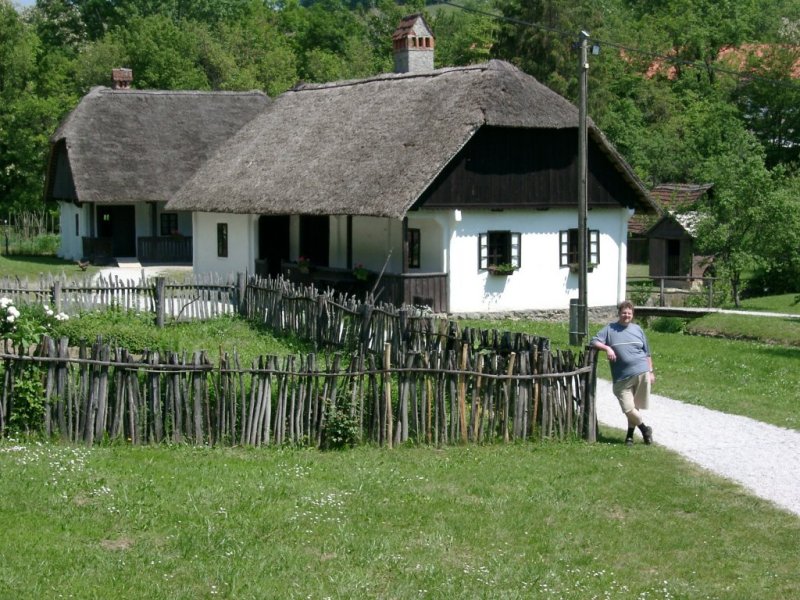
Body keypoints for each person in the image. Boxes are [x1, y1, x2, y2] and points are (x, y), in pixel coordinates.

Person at [590, 300, 655, 446]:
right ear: (619, 313)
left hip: (641, 371)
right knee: (628, 408)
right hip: (621, 377)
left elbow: (647, 353)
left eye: (629, 313)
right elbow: (593, 341)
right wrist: (607, 348)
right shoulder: (610, 329)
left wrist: (650, 372)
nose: (626, 315)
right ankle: (645, 429)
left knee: (635, 407)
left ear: (632, 315)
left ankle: (629, 437)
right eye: (624, 313)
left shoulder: (638, 329)